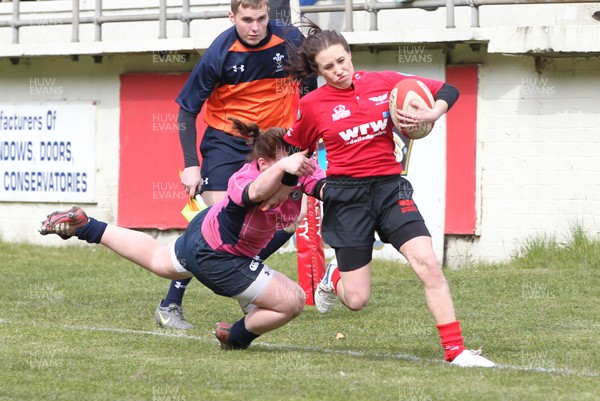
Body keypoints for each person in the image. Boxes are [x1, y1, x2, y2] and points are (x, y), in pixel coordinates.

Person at [282, 23, 496, 367]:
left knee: (428, 264)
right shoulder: (313, 105)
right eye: (329, 67)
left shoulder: (383, 82)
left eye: (342, 61)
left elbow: (448, 90)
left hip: (390, 189)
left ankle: (457, 351)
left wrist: (431, 113)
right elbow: (293, 158)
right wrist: (315, 186)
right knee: (357, 299)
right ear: (318, 71)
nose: (339, 71)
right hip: (347, 199)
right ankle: (333, 277)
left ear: (350, 55)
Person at [39, 119, 325, 351]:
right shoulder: (245, 178)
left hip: (206, 233)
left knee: (157, 258)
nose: (298, 170)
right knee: (292, 301)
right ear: (264, 164)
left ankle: (86, 225)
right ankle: (236, 337)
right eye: (290, 163)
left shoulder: (300, 171)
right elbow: (258, 193)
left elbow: (326, 188)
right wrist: (284, 168)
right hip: (220, 256)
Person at [157, 0, 318, 329]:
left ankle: (248, 279)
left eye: (260, 18)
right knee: (215, 228)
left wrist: (305, 144)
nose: (255, 27)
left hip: (276, 147)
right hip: (227, 144)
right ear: (232, 17)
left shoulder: (289, 41)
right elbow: (187, 110)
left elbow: (309, 93)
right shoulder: (220, 52)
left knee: (290, 220)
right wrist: (191, 165)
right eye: (246, 20)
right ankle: (170, 302)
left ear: (268, 15)